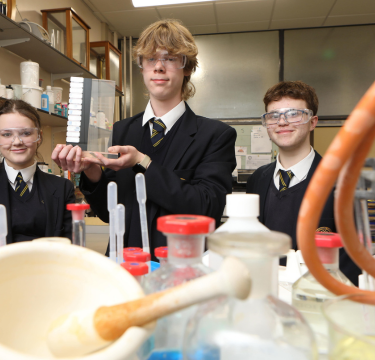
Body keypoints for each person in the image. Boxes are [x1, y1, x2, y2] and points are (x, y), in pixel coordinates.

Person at [52, 19, 237, 259]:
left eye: (170, 58)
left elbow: (206, 208)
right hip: (125, 262)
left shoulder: (215, 135)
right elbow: (110, 213)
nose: (159, 67)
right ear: (142, 67)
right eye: (151, 58)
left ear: (188, 67)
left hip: (182, 266)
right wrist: (92, 171)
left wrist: (143, 162)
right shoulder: (119, 130)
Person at [246, 81, 361, 284]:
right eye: (274, 115)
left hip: (315, 298)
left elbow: (353, 259)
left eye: (293, 114)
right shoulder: (258, 179)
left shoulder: (342, 183)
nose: (282, 122)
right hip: (265, 292)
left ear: (313, 122)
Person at [0, 100, 75, 248]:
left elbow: (70, 250)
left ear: (39, 136)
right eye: (6, 134)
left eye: (26, 133)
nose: (17, 142)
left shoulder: (62, 188)